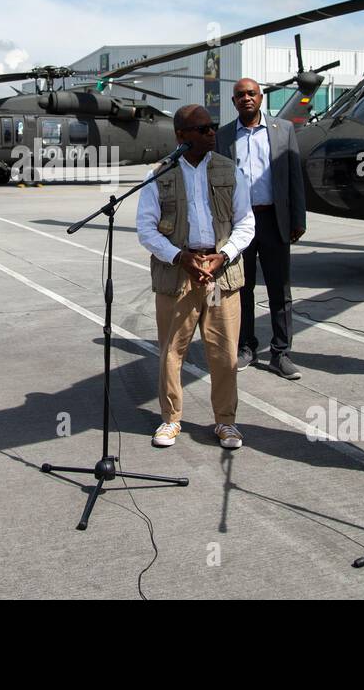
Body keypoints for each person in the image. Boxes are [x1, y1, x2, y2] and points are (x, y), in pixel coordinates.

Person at [137, 104, 255, 450]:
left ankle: (226, 423)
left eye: (212, 127)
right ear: (181, 136)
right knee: (172, 351)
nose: (211, 133)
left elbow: (246, 221)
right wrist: (179, 257)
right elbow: (145, 228)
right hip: (179, 274)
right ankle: (170, 419)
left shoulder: (229, 170)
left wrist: (225, 255)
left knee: (223, 352)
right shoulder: (160, 174)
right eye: (202, 129)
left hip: (219, 274)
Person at [215, 77, 306, 379]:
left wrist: (297, 219)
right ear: (234, 102)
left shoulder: (284, 130)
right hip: (239, 224)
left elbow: (294, 177)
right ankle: (246, 346)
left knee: (280, 290)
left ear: (261, 97)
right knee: (242, 288)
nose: (246, 99)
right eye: (240, 95)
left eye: (251, 94)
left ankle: (281, 353)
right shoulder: (224, 135)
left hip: (273, 220)